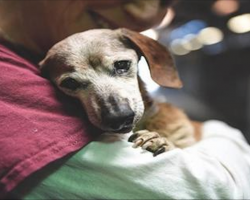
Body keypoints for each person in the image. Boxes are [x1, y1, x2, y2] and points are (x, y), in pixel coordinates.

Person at [0, 0, 249, 199]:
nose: (145, 14)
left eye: (121, 66)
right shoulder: (17, 77)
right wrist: (223, 134)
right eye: (72, 83)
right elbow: (212, 190)